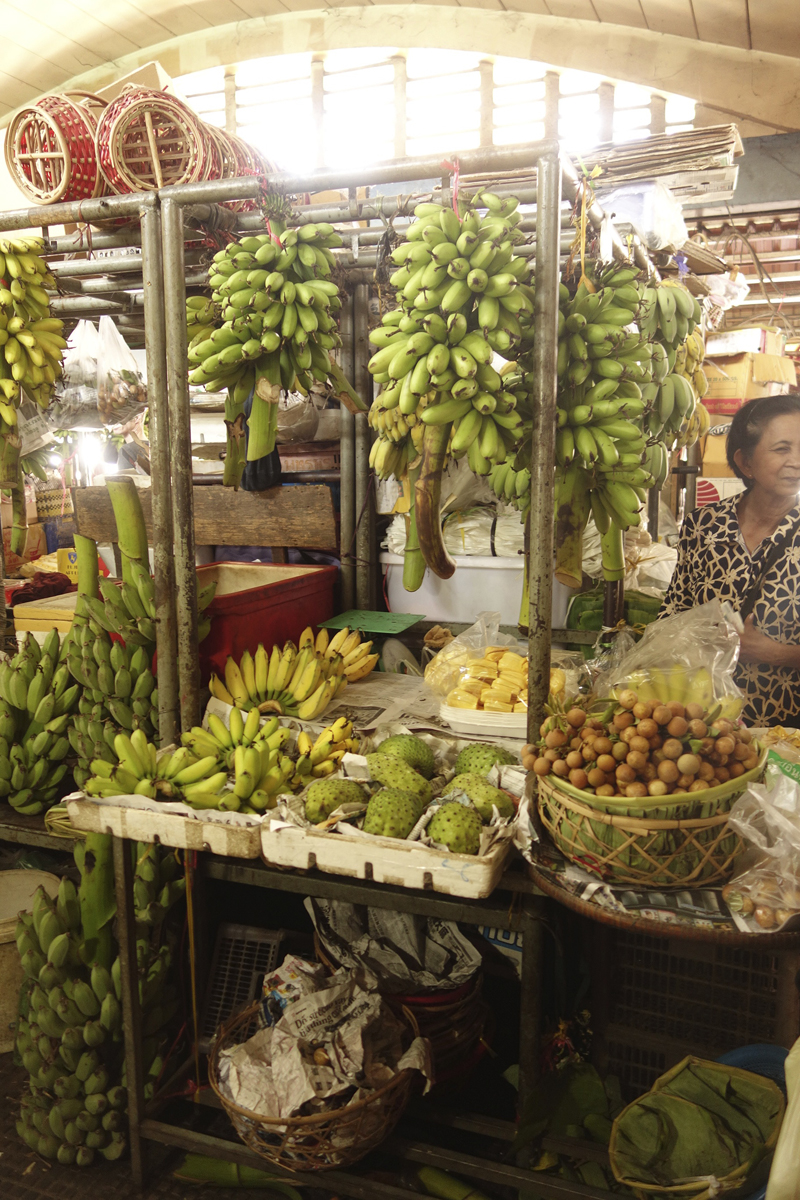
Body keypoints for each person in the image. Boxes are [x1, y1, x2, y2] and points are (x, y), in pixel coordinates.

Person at [661, 393, 800, 726]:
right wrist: (697, 637)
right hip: (704, 723)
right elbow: (672, 616)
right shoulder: (704, 526)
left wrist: (773, 652)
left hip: (788, 731)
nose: (797, 460)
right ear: (745, 461)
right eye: (782, 449)